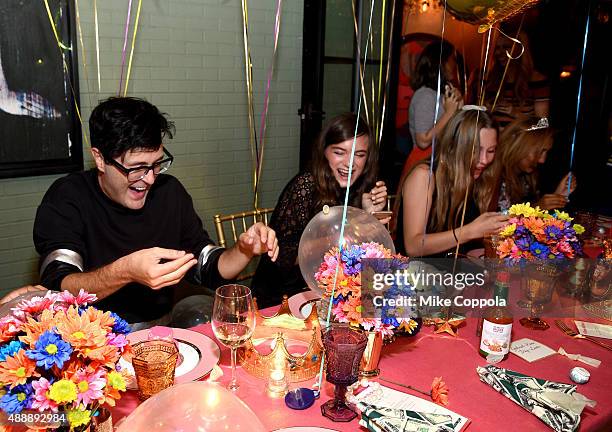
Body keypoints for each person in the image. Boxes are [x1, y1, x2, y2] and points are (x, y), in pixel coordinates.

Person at [33, 97, 279, 326]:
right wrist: (125, 271)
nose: (149, 179)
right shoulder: (68, 197)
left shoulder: (170, 192)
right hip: (91, 338)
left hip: (161, 329)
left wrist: (243, 250)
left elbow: (204, 267)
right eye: (136, 168)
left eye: (156, 164)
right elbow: (58, 287)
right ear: (99, 158)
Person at [251, 113, 388, 307]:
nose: (350, 163)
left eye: (359, 154)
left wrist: (369, 216)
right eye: (339, 152)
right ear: (324, 151)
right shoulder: (305, 186)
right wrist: (354, 228)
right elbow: (282, 259)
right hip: (284, 300)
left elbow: (365, 263)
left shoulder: (361, 189)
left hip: (334, 298)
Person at [395, 107, 509, 257]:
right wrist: (470, 231)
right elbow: (413, 246)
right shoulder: (424, 176)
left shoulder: (479, 177)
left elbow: (463, 249)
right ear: (455, 146)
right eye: (475, 150)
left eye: (491, 151)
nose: (484, 160)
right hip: (415, 275)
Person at [401, 40, 463, 177]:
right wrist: (449, 113)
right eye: (452, 59)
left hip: (439, 164)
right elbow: (423, 141)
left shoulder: (441, 94)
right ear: (442, 63)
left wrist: (459, 105)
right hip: (424, 166)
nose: (454, 65)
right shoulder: (425, 95)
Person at [494, 116, 577, 211]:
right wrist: (536, 209)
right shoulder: (494, 177)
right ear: (518, 146)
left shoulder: (527, 178)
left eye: (546, 152)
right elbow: (497, 221)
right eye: (539, 152)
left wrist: (557, 197)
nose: (542, 160)